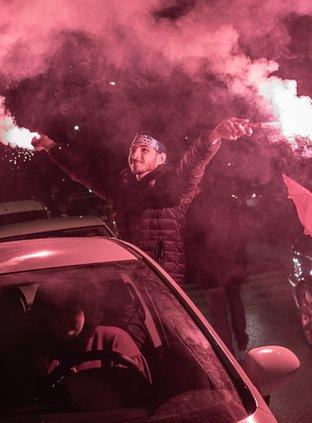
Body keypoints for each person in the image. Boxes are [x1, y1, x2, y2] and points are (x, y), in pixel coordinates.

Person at [32, 118, 253, 284]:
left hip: (164, 278)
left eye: (144, 150)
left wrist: (213, 136)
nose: (135, 155)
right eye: (133, 150)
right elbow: (82, 171)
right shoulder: (121, 187)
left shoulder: (170, 185)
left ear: (161, 159)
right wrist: (51, 146)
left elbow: (191, 167)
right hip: (131, 276)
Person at [29, 279, 150, 382]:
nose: (63, 319)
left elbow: (138, 400)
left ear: (87, 308)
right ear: (45, 315)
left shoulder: (115, 343)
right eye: (55, 311)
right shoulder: (35, 352)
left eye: (72, 309)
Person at [186, 180, 250, 353]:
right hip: (233, 262)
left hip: (211, 267)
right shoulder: (233, 201)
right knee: (236, 302)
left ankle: (228, 351)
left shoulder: (198, 204)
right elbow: (245, 232)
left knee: (218, 311)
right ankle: (242, 338)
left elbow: (190, 235)